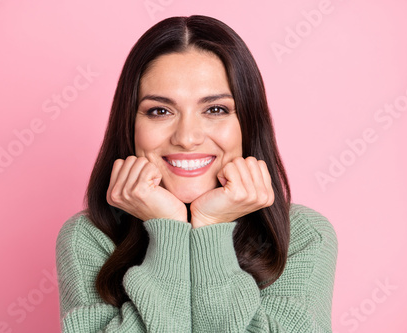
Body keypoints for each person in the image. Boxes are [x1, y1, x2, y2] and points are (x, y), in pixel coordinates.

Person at [56, 15, 337, 332]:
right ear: (130, 125)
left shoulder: (303, 236)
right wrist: (167, 230)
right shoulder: (89, 238)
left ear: (248, 124)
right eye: (160, 111)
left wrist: (211, 230)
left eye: (215, 109)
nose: (187, 137)